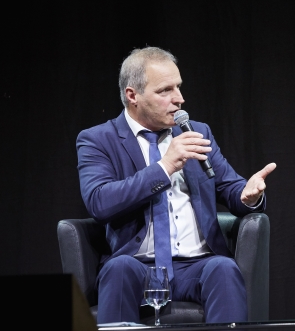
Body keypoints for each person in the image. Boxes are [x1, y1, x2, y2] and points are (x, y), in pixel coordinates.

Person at [76, 46, 277, 324]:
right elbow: (99, 201)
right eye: (165, 91)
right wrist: (165, 166)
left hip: (197, 264)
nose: (179, 99)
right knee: (118, 269)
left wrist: (248, 195)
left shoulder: (196, 131)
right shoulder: (98, 140)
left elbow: (230, 188)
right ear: (132, 95)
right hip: (136, 265)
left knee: (224, 268)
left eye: (179, 87)